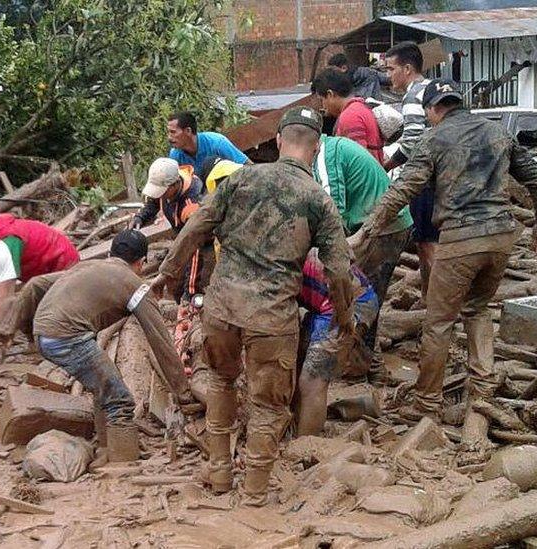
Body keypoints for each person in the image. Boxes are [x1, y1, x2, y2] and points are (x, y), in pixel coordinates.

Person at [150, 107, 356, 506]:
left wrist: (166, 272)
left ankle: (221, 473)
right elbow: (340, 271)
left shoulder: (240, 179)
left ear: (279, 141)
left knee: (222, 383)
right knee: (266, 404)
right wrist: (345, 318)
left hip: (222, 309)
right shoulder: (318, 200)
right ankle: (256, 494)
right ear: (314, 149)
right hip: (272, 317)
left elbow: (196, 228)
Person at [355, 80, 537, 423]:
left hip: (462, 238)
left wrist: (367, 230)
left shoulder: (434, 138)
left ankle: (427, 403)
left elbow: (404, 188)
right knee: (477, 309)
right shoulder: (497, 133)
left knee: (439, 322)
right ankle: (483, 390)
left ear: (433, 110)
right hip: (501, 237)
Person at [0, 230, 195, 462]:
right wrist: (183, 393)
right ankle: (123, 465)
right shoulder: (135, 286)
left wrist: (15, 330)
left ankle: (104, 449)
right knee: (120, 400)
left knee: (104, 387)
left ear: (111, 253)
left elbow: (35, 285)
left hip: (45, 335)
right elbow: (160, 342)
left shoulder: (86, 267)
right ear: (141, 263)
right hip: (67, 338)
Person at [314, 134, 412, 375]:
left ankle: (360, 367)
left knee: (359, 296)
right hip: (385, 225)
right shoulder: (335, 147)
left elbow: (334, 210)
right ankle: (367, 362)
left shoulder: (325, 155)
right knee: (368, 294)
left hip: (381, 229)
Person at [0, 206, 80, 355]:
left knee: (28, 304)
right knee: (26, 301)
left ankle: (57, 346)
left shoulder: (4, 244)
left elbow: (6, 297)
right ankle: (34, 344)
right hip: (41, 268)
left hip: (63, 264)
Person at [295, 248, 379, 435]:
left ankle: (305, 445)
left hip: (350, 304)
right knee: (298, 365)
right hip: (325, 302)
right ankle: (297, 426)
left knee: (312, 378)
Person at [382, 42, 437, 301]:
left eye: (391, 69)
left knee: (427, 244)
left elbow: (413, 140)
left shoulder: (415, 95)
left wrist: (389, 165)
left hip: (426, 178)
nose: (388, 75)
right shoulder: (432, 90)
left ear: (407, 68)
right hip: (446, 173)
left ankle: (434, 300)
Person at [131, 158, 213, 301]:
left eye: (162, 192)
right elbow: (154, 201)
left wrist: (190, 291)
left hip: (205, 244)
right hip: (183, 238)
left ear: (175, 185)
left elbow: (193, 247)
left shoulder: (191, 206)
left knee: (189, 288)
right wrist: (140, 217)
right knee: (174, 286)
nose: (160, 195)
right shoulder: (168, 182)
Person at [312, 69, 385, 164]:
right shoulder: (360, 108)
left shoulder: (350, 116)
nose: (323, 107)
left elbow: (358, 162)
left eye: (322, 100)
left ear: (330, 94)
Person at [167, 111, 250, 178]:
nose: (169, 137)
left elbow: (248, 167)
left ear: (188, 131)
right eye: (168, 132)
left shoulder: (217, 143)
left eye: (173, 132)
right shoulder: (175, 154)